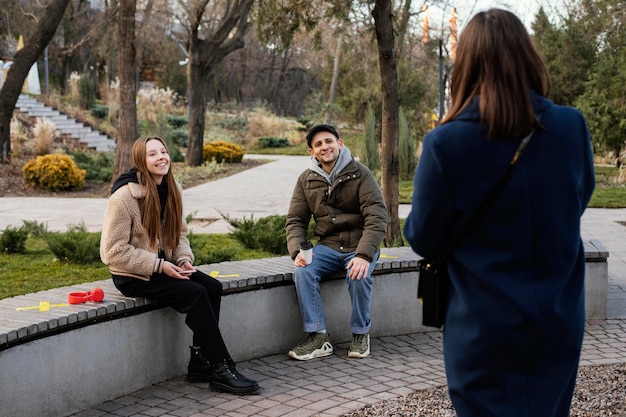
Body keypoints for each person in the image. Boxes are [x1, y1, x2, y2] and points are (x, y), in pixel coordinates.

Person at [403, 9, 595, 417]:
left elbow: (423, 238)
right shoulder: (571, 127)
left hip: (482, 326)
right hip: (558, 318)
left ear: (466, 64)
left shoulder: (446, 143)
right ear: (528, 56)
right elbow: (579, 202)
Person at [100, 136, 259, 395]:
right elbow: (112, 252)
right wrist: (159, 265)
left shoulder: (173, 188)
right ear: (141, 160)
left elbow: (180, 233)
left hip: (166, 265)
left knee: (212, 287)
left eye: (163, 151)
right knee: (195, 294)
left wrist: (183, 259)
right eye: (152, 154)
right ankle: (221, 368)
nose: (161, 157)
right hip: (133, 274)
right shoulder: (123, 198)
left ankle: (199, 363)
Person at [285, 124, 388, 360]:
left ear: (339, 143)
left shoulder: (360, 173)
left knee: (358, 273)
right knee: (303, 271)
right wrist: (297, 251)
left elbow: (377, 215)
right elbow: (295, 220)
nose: (325, 147)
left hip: (360, 244)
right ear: (312, 152)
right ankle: (318, 337)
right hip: (328, 246)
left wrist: (363, 255)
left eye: (329, 141)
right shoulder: (306, 180)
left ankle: (361, 333)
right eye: (318, 144)